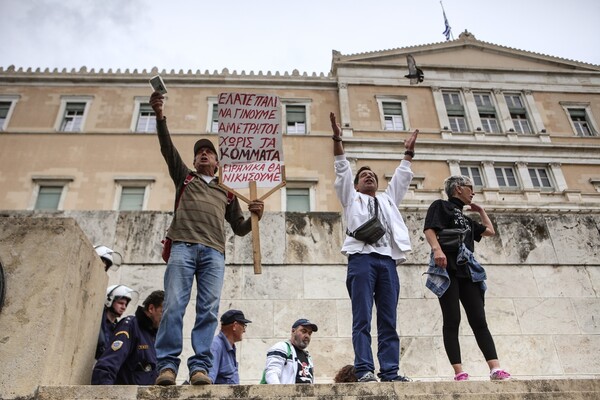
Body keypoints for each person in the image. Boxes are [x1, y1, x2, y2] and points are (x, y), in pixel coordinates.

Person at [149, 91, 265, 386]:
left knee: (208, 311)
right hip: (183, 249)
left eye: (208, 152)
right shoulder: (184, 178)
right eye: (199, 152)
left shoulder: (227, 191)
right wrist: (160, 115)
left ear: (216, 161)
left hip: (214, 253)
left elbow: (239, 227)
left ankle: (200, 368)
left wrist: (256, 217)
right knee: (174, 306)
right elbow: (166, 148)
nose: (203, 154)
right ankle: (167, 367)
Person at [330, 112, 418, 383]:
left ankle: (390, 372)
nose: (369, 177)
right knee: (362, 318)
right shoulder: (351, 198)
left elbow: (402, 178)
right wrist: (337, 138)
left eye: (372, 176)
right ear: (356, 185)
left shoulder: (388, 200)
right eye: (363, 176)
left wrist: (408, 153)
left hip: (388, 262)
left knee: (389, 319)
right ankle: (365, 369)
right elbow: (342, 169)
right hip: (361, 259)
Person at [423, 175, 511, 381]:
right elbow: (429, 229)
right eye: (470, 188)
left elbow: (490, 231)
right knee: (452, 319)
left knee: (479, 319)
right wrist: (437, 250)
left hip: (468, 270)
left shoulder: (467, 220)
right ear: (458, 188)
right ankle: (459, 372)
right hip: (447, 268)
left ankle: (495, 369)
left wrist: (481, 211)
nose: (473, 192)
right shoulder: (441, 206)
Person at [92, 290, 164, 385]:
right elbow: (107, 365)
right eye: (163, 312)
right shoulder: (130, 326)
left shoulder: (157, 336)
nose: (166, 317)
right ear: (151, 308)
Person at [263, 319, 317, 384]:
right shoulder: (282, 347)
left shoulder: (307, 356)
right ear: (293, 331)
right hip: (287, 393)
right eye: (304, 331)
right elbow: (271, 374)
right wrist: (280, 393)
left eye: (309, 333)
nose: (307, 336)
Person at [208, 309, 252, 384]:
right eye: (243, 326)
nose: (244, 330)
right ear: (235, 325)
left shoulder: (230, 348)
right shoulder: (216, 346)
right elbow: (208, 382)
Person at [95, 285, 135, 360]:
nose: (124, 307)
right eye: (120, 303)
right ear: (109, 301)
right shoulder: (97, 321)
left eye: (125, 304)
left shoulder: (118, 327)